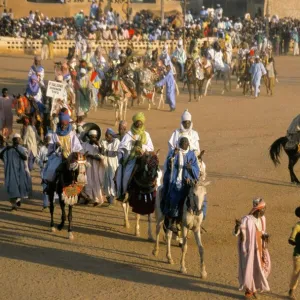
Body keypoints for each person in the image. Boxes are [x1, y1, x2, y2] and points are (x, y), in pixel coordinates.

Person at [233, 198, 271, 299]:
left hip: (260, 247)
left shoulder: (263, 219)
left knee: (262, 267)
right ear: (259, 209)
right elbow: (237, 234)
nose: (265, 211)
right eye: (264, 209)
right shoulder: (246, 220)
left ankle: (255, 288)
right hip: (249, 249)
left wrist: (265, 237)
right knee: (249, 269)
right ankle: (249, 291)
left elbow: (263, 231)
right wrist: (237, 227)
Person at [161, 137, 199, 232]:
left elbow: (196, 169)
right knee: (175, 197)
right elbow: (169, 164)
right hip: (176, 181)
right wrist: (173, 156)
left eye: (186, 142)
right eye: (182, 142)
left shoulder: (191, 154)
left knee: (198, 197)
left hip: (188, 182)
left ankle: (197, 221)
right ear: (179, 143)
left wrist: (190, 168)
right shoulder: (174, 152)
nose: (184, 144)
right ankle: (172, 221)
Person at [116, 112, 154, 200]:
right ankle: (123, 192)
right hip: (132, 157)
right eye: (137, 122)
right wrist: (132, 145)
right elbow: (121, 147)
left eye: (140, 122)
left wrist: (142, 146)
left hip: (143, 157)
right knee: (126, 175)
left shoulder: (146, 134)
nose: (139, 124)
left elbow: (151, 148)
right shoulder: (129, 133)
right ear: (134, 122)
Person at [0, 133, 32, 211]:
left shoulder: (23, 149)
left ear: (20, 140)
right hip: (11, 172)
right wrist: (5, 148)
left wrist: (16, 149)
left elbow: (24, 158)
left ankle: (18, 199)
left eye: (18, 139)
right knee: (12, 188)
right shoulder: (8, 150)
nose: (17, 141)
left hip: (21, 172)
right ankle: (14, 206)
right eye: (15, 139)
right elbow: (0, 156)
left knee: (20, 187)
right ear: (13, 140)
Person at [81, 129, 105, 206]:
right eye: (92, 137)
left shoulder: (99, 146)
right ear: (89, 137)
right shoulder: (84, 144)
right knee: (87, 181)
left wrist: (98, 146)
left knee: (96, 182)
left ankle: (97, 199)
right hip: (87, 165)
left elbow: (102, 155)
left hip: (96, 167)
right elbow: (81, 155)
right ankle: (88, 198)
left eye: (95, 137)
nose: (93, 139)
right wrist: (86, 155)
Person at [101, 128, 120, 205]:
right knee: (105, 180)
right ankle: (108, 196)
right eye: (106, 136)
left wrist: (106, 152)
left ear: (112, 136)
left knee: (112, 179)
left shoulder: (116, 141)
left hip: (113, 164)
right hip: (105, 164)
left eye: (108, 136)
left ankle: (113, 196)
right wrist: (105, 152)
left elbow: (114, 153)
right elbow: (102, 151)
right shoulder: (103, 141)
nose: (106, 137)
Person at [36, 133, 52, 210]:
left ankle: (50, 202)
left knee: (52, 187)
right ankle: (45, 204)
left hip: (52, 171)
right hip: (44, 170)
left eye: (49, 139)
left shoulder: (54, 149)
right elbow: (37, 158)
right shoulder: (42, 148)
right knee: (45, 187)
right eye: (46, 139)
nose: (47, 141)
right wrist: (42, 163)